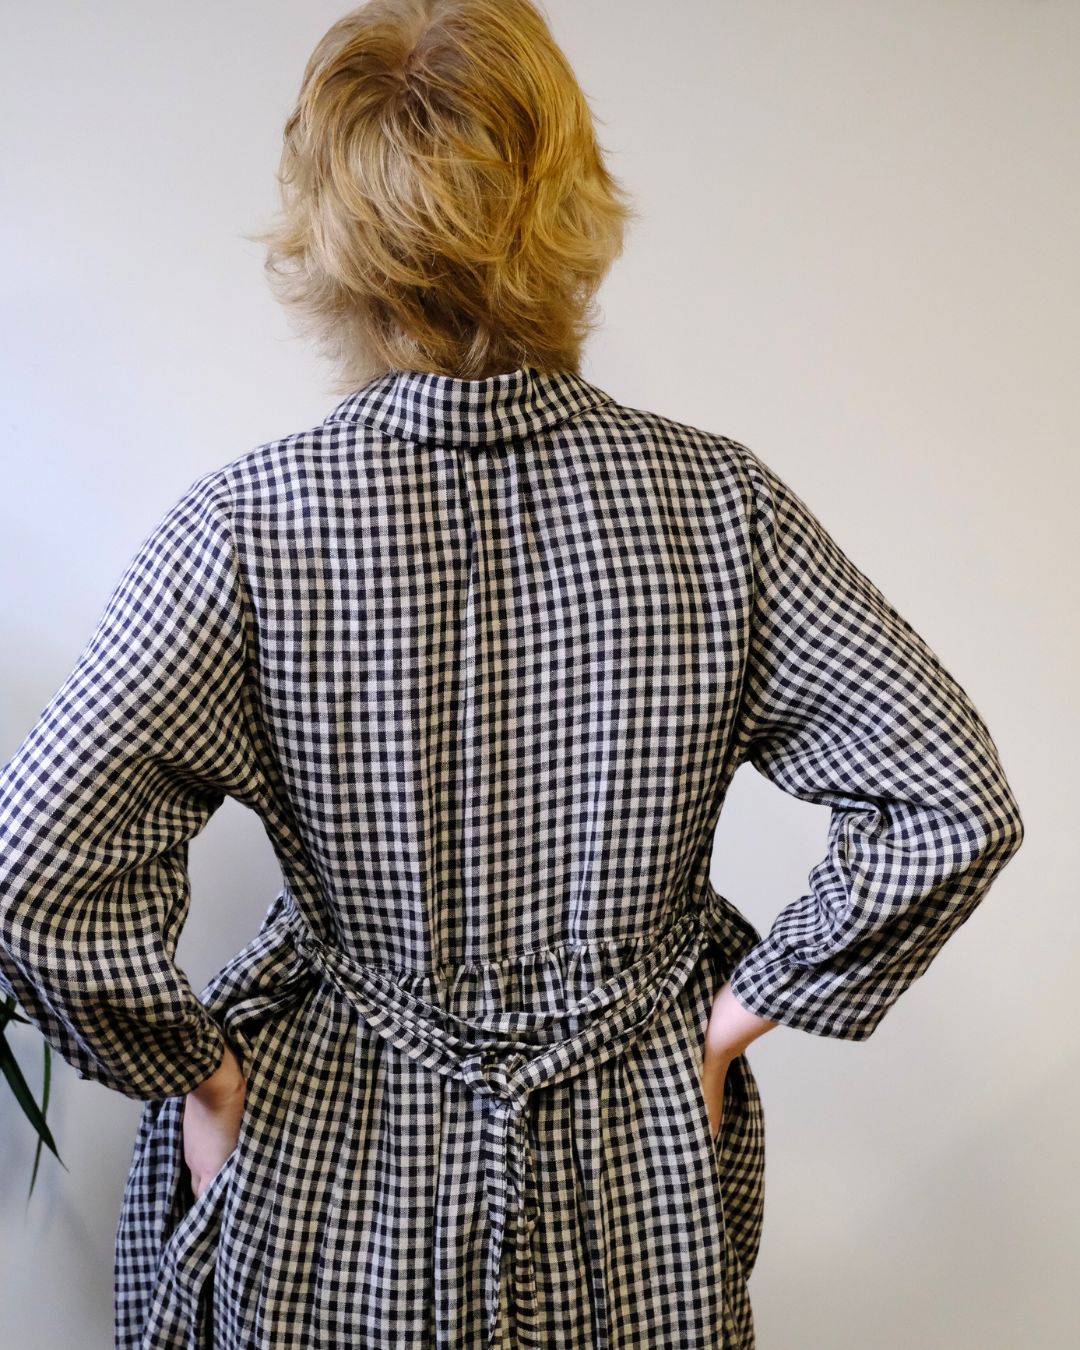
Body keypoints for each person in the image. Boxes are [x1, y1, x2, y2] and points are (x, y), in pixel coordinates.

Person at [0, 1, 1024, 1347]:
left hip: (326, 1177)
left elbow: (37, 867)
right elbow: (951, 800)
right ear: (572, 198)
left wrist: (199, 1080)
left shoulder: (250, 529)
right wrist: (719, 1032)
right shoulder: (716, 509)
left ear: (329, 224)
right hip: (631, 1174)